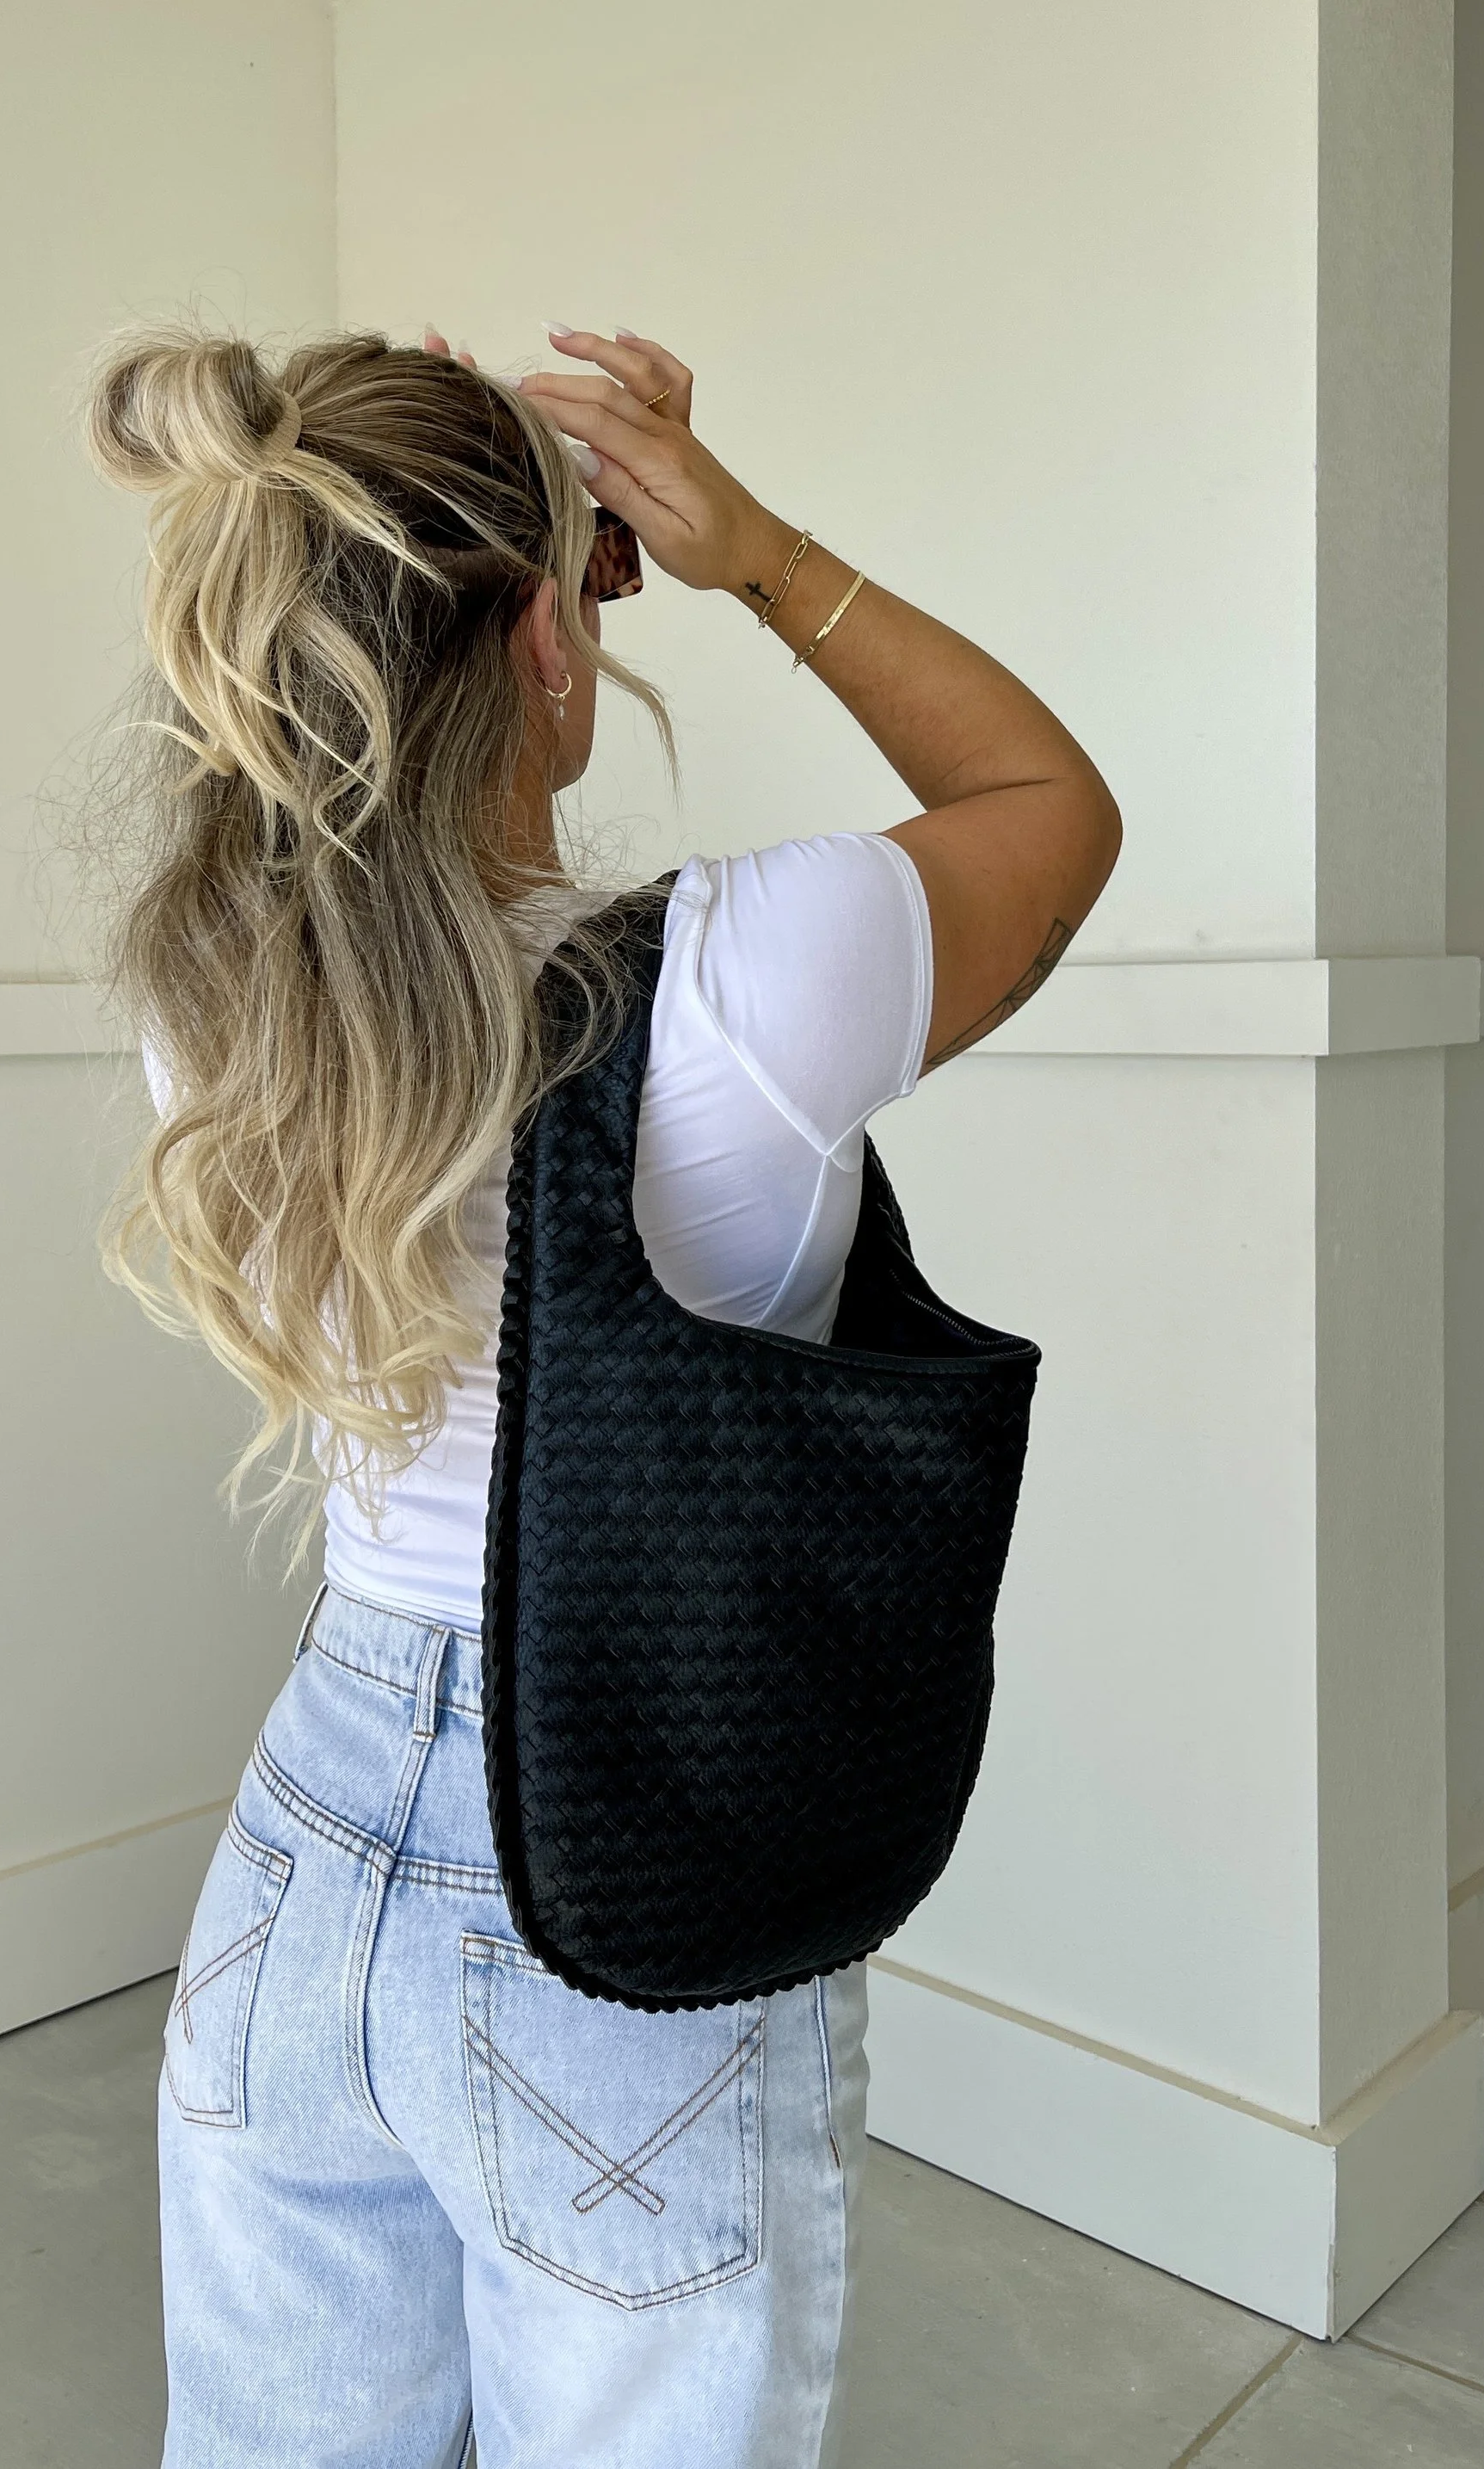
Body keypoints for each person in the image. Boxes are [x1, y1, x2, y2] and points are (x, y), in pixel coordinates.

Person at [83, 318, 1120, 2469]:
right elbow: (1049, 806)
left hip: (300, 1835)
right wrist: (755, 552)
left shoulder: (205, 992)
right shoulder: (740, 983)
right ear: (552, 637)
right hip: (625, 1857)